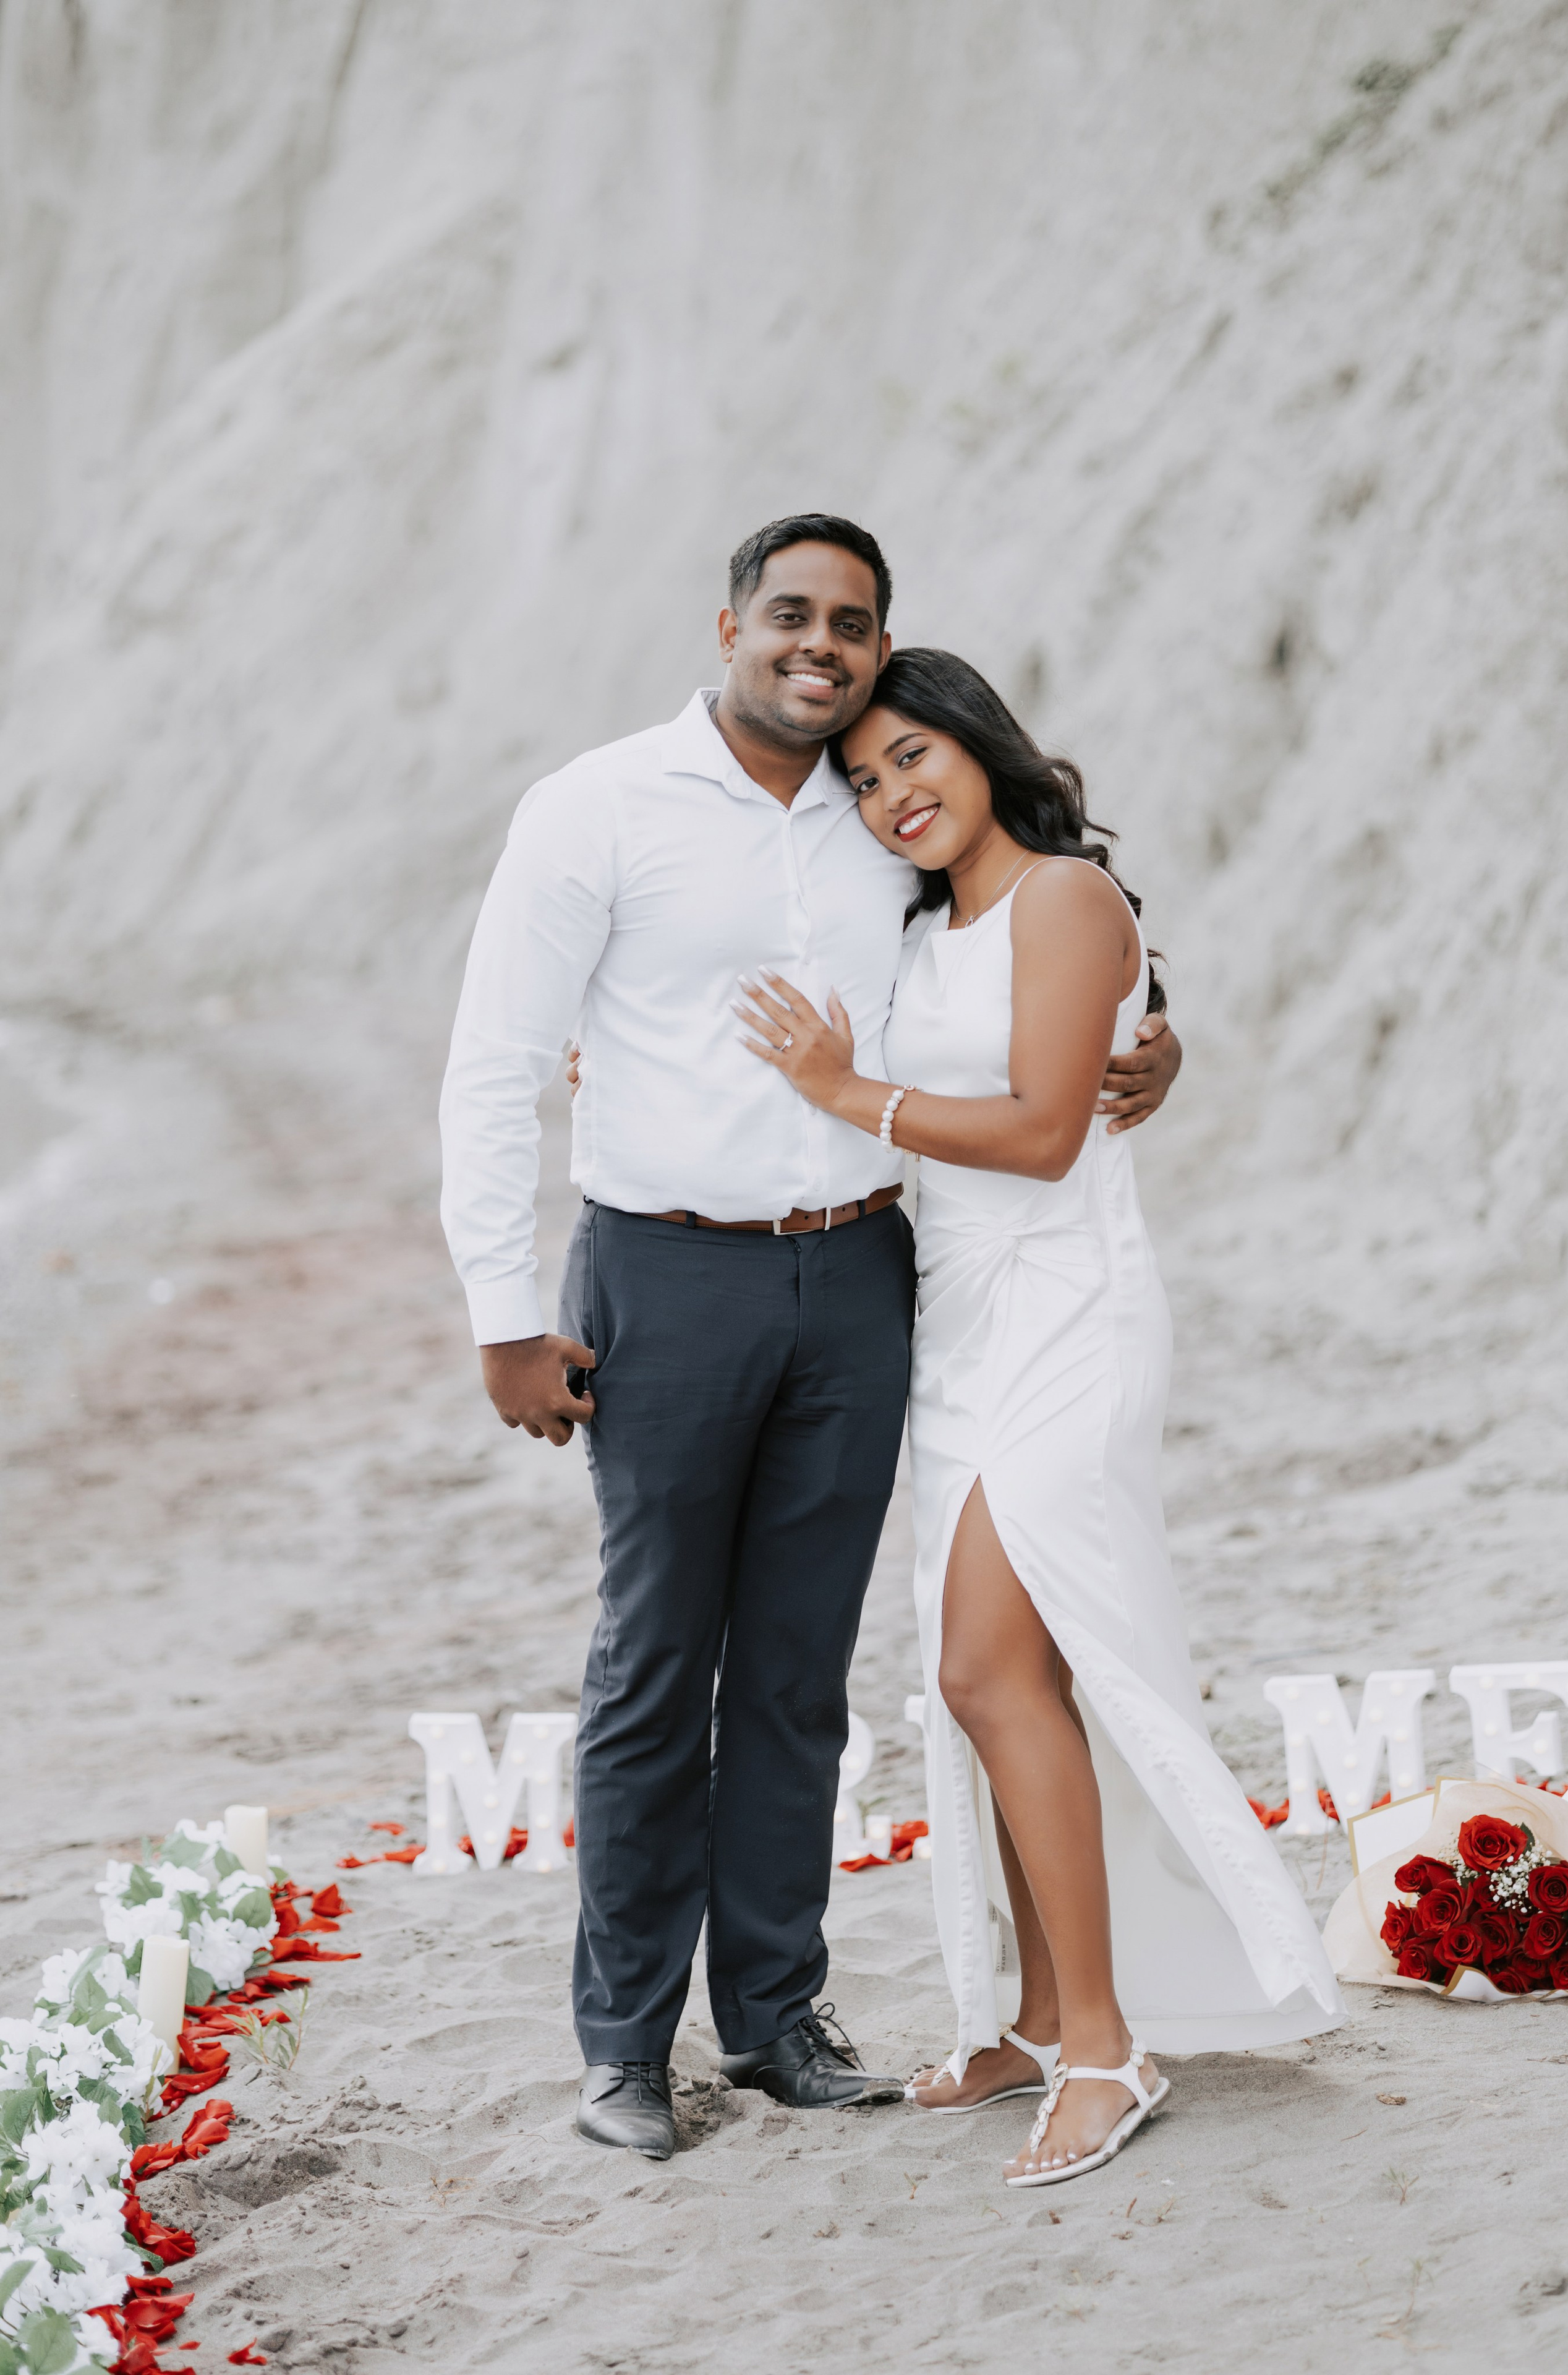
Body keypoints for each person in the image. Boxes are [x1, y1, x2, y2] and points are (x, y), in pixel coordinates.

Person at [438, 519, 1182, 2163]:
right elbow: (498, 1061)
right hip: (665, 1276)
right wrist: (505, 1314)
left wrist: (1154, 1040)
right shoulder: (596, 808)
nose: (821, 643)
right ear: (728, 624)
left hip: (864, 1279)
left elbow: (1041, 932)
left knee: (798, 1677)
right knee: (653, 1670)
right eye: (793, 613)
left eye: (854, 623)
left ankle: (775, 2017)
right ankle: (628, 2045)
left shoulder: (885, 820)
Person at [733, 647, 1342, 2192]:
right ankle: (1026, 2015)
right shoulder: (927, 923)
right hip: (958, 1324)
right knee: (991, 1684)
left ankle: (1106, 2047)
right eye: (863, 781)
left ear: (981, 744)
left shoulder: (1066, 898)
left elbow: (1041, 1129)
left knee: (988, 1666)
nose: (891, 796)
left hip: (1068, 1311)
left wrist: (840, 1090)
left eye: (913, 756)